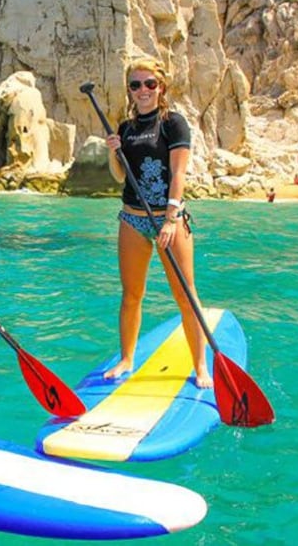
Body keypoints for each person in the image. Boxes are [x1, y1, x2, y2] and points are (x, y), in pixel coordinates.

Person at [101, 56, 212, 388]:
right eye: (135, 85)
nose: (143, 90)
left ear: (161, 87)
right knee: (131, 294)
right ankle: (126, 358)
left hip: (169, 220)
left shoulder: (173, 123)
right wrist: (113, 151)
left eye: (150, 84)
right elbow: (119, 175)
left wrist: (170, 217)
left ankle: (201, 366)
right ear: (130, 90)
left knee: (186, 295)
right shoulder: (125, 128)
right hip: (132, 218)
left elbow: (178, 173)